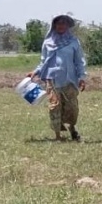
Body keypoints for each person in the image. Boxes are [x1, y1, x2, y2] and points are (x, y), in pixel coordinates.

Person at [28, 14, 87, 142]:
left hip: (70, 80)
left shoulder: (73, 42)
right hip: (52, 80)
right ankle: (58, 136)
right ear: (54, 25)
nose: (61, 26)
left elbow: (79, 61)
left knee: (72, 108)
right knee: (55, 106)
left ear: (67, 26)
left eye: (64, 23)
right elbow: (43, 62)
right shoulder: (48, 43)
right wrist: (35, 72)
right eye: (58, 23)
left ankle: (72, 128)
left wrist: (82, 77)